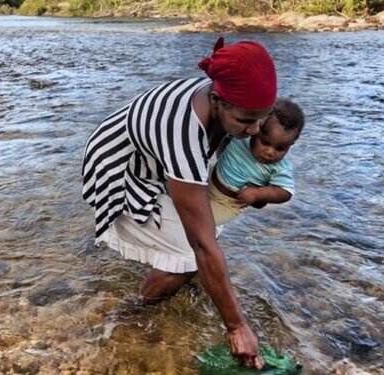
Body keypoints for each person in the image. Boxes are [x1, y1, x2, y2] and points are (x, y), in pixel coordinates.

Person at [82, 37, 276, 370]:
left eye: (263, 118)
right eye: (247, 121)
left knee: (201, 236)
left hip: (154, 159)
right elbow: (200, 242)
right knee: (188, 256)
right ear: (217, 100)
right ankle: (131, 312)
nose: (256, 130)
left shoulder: (223, 99)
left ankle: (154, 277)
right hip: (120, 166)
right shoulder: (183, 132)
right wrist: (236, 326)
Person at [209, 99, 305, 226]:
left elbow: (285, 192)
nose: (270, 152)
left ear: (290, 145)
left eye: (280, 148)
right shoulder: (242, 137)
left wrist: (257, 194)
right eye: (265, 142)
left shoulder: (279, 168)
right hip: (209, 180)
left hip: (228, 203)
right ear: (257, 128)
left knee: (202, 222)